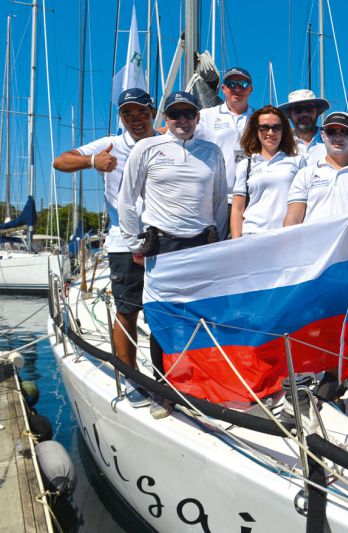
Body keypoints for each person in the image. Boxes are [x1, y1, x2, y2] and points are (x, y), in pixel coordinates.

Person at [118, 91, 228, 419]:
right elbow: (127, 199)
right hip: (162, 246)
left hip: (202, 245)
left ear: (197, 117)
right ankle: (163, 390)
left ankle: (198, 385)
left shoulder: (212, 152)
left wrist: (219, 243)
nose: (182, 120)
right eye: (175, 114)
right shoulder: (147, 148)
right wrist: (133, 243)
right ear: (165, 118)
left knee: (200, 318)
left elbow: (219, 201)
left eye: (188, 114)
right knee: (162, 319)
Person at [52, 88, 156, 406]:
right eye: (128, 114)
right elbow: (60, 161)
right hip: (124, 242)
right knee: (127, 311)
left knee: (165, 311)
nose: (136, 119)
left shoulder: (165, 141)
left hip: (165, 242)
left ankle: (168, 379)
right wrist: (92, 161)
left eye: (142, 112)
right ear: (121, 118)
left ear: (152, 113)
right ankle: (131, 377)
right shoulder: (111, 143)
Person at [283, 111, 348, 225]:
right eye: (331, 131)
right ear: (323, 136)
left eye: (344, 131)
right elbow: (293, 219)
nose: (338, 137)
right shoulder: (305, 174)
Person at [195, 67, 254, 226]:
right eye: (231, 84)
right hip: (216, 198)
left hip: (250, 198)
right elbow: (179, 133)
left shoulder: (258, 118)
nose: (237, 88)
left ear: (250, 89)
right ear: (223, 88)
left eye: (242, 84)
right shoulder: (206, 116)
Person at [230, 106, 299, 237]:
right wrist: (236, 242)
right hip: (252, 235)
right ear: (256, 130)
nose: (270, 132)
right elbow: (237, 209)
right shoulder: (246, 165)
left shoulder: (297, 161)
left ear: (283, 130)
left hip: (286, 235)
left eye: (276, 128)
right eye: (264, 128)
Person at [278, 89, 330, 168]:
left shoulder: (332, 140)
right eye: (298, 109)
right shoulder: (281, 144)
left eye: (309, 108)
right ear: (290, 114)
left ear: (316, 112)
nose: (304, 114)